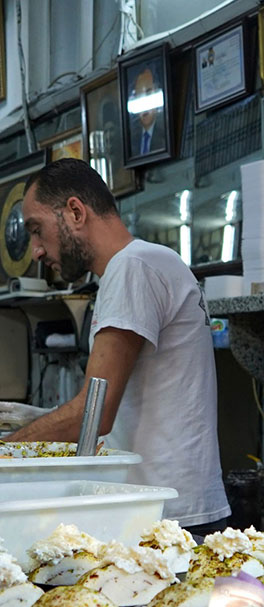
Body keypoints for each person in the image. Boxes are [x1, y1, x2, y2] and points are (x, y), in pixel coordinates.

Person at [7, 158, 230, 534]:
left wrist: (8, 449)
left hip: (168, 516)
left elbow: (94, 414)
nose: (36, 251)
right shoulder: (142, 264)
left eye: (37, 230)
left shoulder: (133, 267)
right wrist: (32, 419)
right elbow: (112, 409)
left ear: (75, 212)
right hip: (166, 507)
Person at [130, 66, 166, 157]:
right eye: (139, 95)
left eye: (148, 93)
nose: (144, 103)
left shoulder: (165, 136)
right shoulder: (132, 142)